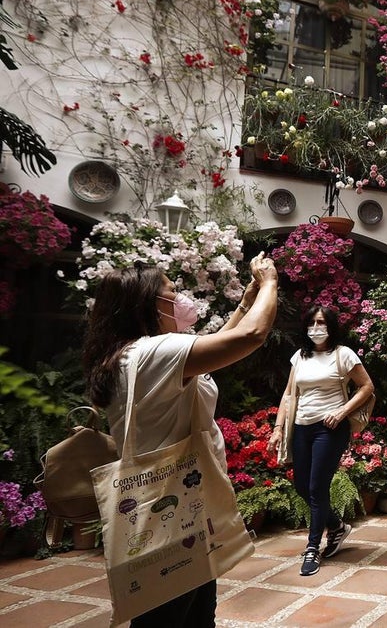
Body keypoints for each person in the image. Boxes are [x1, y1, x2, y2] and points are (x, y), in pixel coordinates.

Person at [83, 254, 279, 627]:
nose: (181, 298)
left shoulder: (132, 354)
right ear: (148, 304)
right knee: (171, 615)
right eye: (172, 292)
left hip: (182, 506)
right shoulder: (154, 353)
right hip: (167, 507)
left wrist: (246, 301)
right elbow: (250, 337)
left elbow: (215, 345)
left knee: (192, 612)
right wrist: (270, 283)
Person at [268, 305, 374, 577]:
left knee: (317, 486)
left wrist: (341, 412)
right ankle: (337, 527)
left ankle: (313, 547)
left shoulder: (343, 354)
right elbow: (289, 395)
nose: (316, 327)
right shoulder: (299, 357)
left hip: (330, 428)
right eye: (312, 322)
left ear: (331, 326)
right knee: (302, 486)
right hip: (302, 428)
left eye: (322, 322)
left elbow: (367, 387)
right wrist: (278, 428)